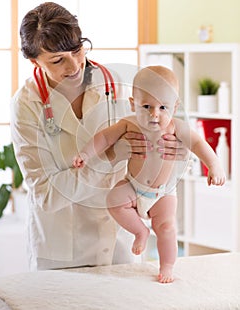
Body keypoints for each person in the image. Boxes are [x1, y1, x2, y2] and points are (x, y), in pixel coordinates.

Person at [10, 2, 189, 271]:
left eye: (77, 50)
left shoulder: (115, 82)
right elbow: (46, 195)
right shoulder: (26, 104)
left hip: (119, 240)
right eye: (57, 60)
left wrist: (172, 152)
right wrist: (110, 156)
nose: (74, 66)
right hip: (61, 249)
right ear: (34, 61)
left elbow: (156, 136)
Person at [73, 65, 226, 283]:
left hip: (163, 193)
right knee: (113, 200)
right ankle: (140, 232)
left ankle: (167, 266)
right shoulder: (129, 124)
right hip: (133, 187)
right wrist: (85, 154)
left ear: (175, 106)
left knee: (166, 227)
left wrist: (214, 165)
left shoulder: (176, 127)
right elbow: (104, 138)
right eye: (147, 106)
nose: (155, 113)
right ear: (133, 104)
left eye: (163, 107)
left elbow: (199, 143)